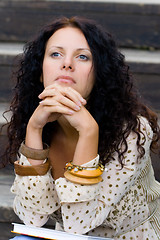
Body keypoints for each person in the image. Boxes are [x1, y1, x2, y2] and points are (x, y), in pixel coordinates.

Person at [3, 16, 160, 239]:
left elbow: (79, 223)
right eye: (56, 54)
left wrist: (88, 131)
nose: (67, 64)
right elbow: (32, 218)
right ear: (40, 70)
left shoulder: (132, 130)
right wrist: (34, 129)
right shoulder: (38, 120)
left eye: (83, 57)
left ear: (99, 74)